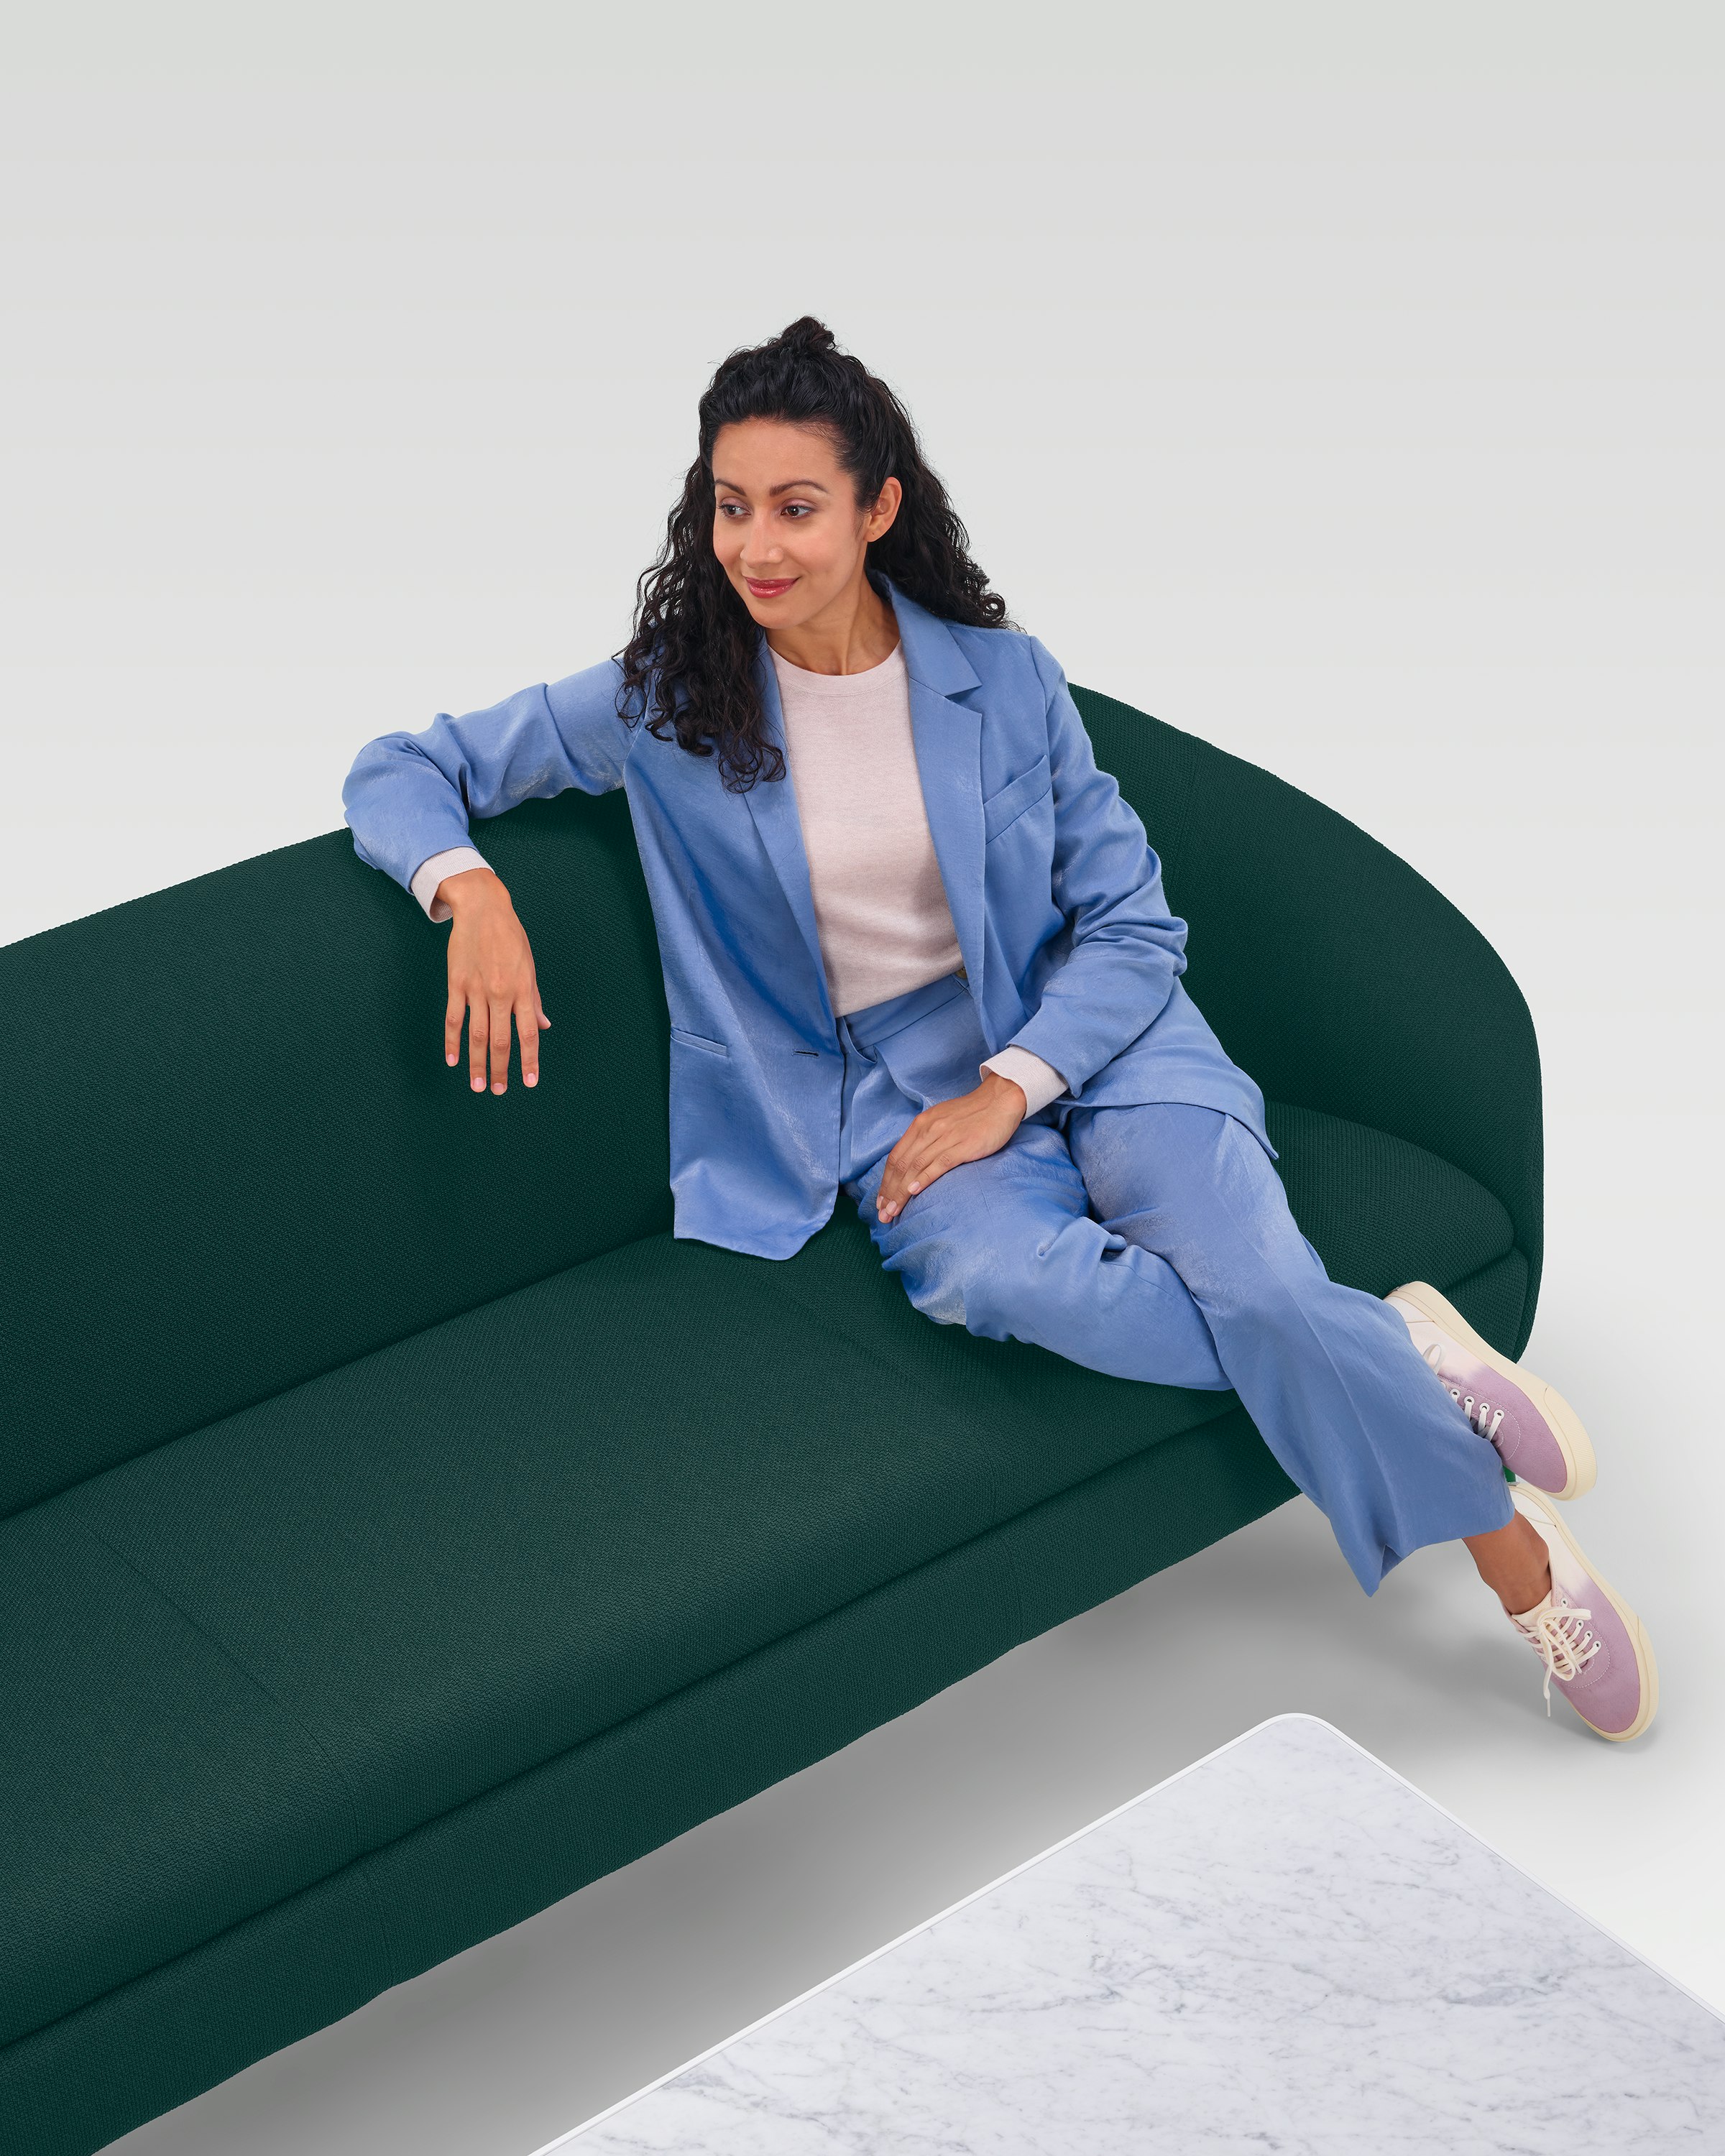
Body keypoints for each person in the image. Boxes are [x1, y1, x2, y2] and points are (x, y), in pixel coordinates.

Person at [344, 315, 1655, 1742]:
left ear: (878, 507)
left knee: (1263, 1286)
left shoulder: (1003, 681)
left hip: (1105, 1042)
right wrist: (466, 888)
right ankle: (1401, 1360)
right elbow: (406, 765)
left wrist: (1015, 1087)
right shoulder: (667, 699)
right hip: (882, 1103)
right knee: (1015, 1287)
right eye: (730, 506)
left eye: (796, 507)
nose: (756, 546)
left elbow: (1135, 925)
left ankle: (1515, 1567)